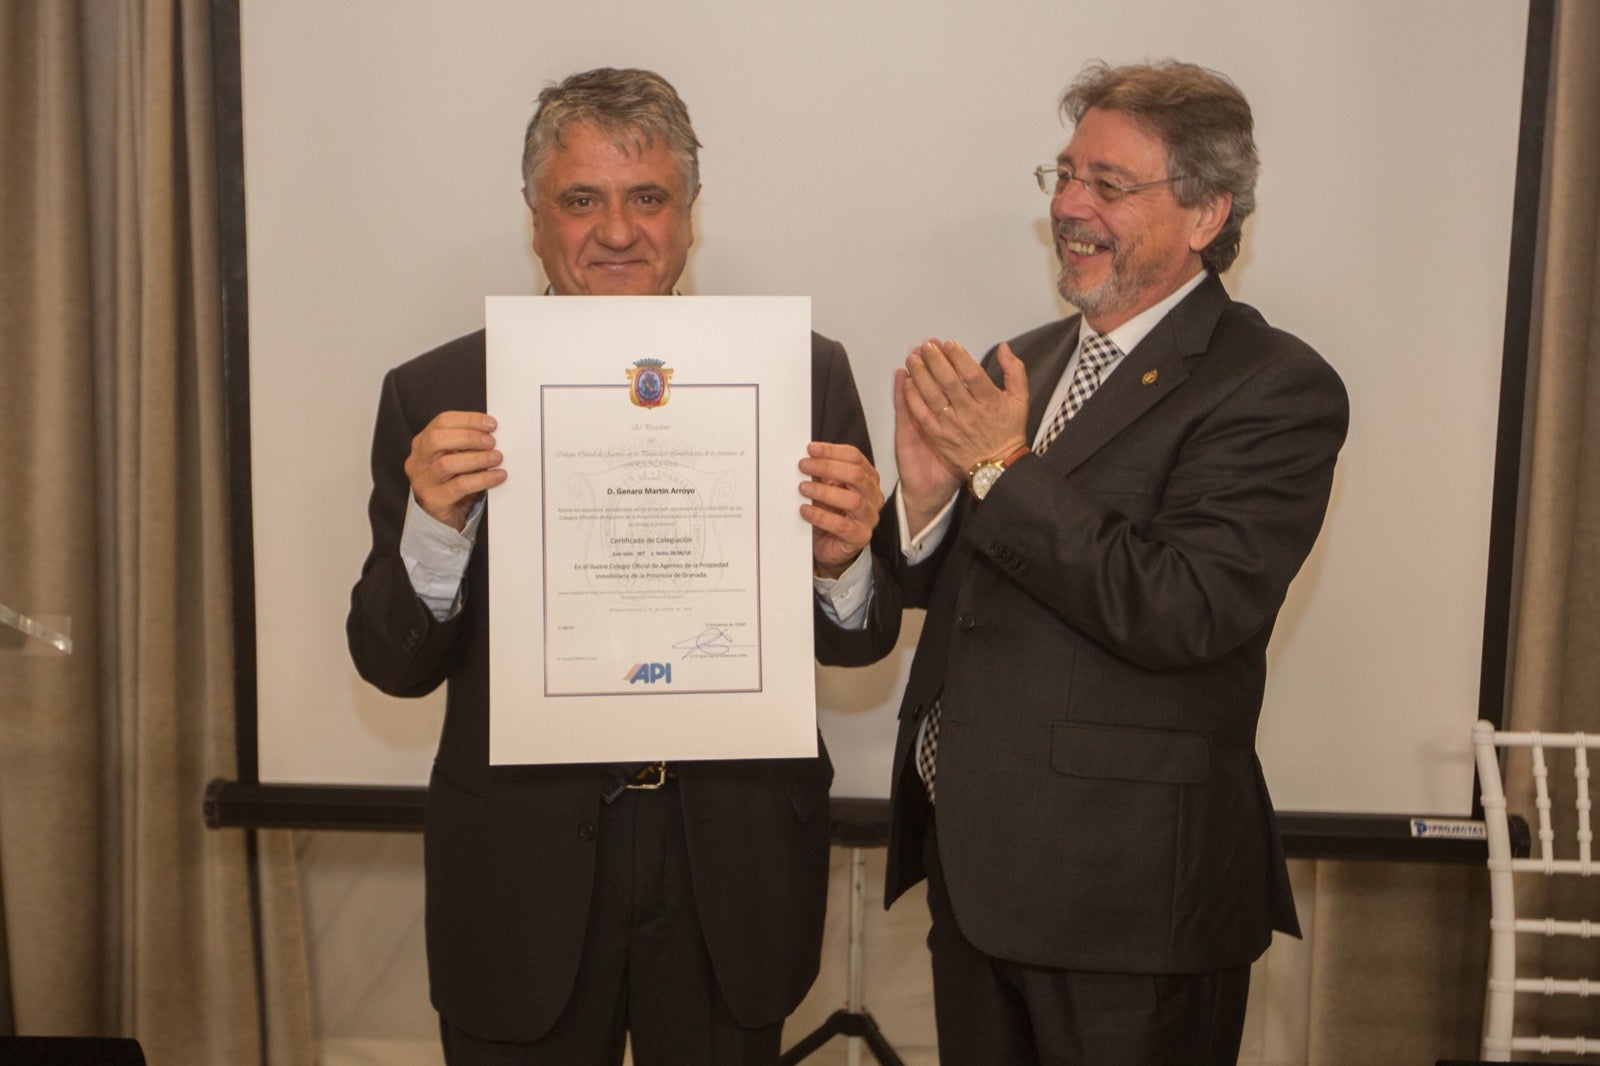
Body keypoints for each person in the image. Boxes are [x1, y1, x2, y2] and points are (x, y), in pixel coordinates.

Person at [346, 67, 901, 1065]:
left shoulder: (799, 375)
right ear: (533, 217)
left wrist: (845, 563)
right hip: (521, 875)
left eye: (647, 197)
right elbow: (392, 663)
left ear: (688, 213)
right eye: (581, 199)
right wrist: (433, 525)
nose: (616, 231)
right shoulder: (437, 393)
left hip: (729, 868)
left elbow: (858, 641)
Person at [878, 59, 1349, 1064]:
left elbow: (1183, 607)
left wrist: (999, 466)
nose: (1069, 206)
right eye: (1061, 176)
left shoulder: (1271, 386)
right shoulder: (1028, 360)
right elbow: (980, 589)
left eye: (1107, 184)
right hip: (978, 880)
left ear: (1204, 212)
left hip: (1128, 906)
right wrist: (920, 506)